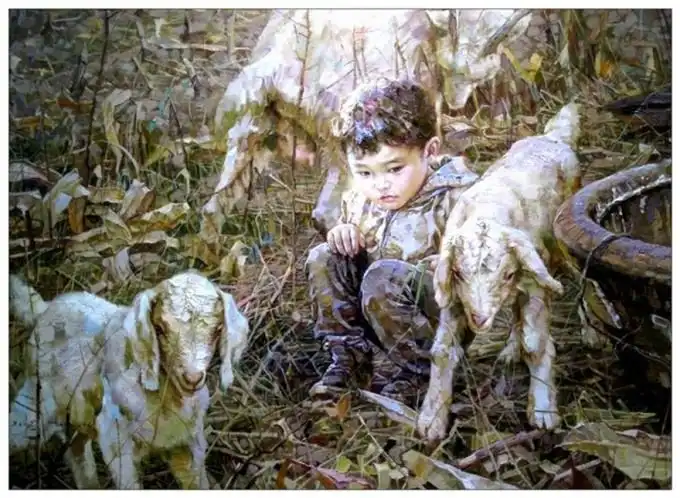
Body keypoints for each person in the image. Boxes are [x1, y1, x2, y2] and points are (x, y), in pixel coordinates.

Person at [305, 77, 479, 405]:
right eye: (365, 172)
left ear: (430, 151)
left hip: (440, 320)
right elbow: (352, 241)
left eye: (395, 169)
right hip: (381, 314)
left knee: (383, 276)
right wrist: (345, 231)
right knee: (324, 257)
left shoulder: (458, 198)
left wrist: (438, 266)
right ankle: (350, 358)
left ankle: (423, 375)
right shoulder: (361, 199)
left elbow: (475, 269)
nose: (380, 185)